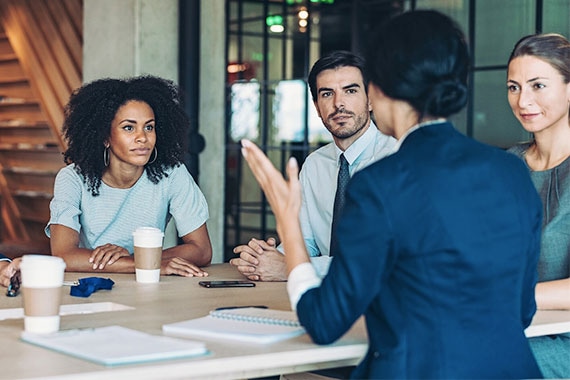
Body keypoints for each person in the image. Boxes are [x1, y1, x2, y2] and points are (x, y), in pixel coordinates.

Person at [240, 10, 543, 379]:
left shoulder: (380, 183)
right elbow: (522, 310)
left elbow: (324, 322)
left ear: (378, 90)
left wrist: (287, 219)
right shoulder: (510, 170)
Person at [230, 51, 396, 281]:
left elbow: (381, 259)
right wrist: (266, 258)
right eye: (327, 94)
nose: (339, 103)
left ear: (370, 100)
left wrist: (291, 267)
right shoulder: (315, 165)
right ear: (317, 107)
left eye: (350, 90)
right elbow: (304, 242)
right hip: (322, 298)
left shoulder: (396, 160)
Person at [45, 75, 212, 277]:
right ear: (105, 136)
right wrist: (145, 264)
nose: (142, 137)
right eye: (129, 127)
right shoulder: (72, 179)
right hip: (92, 288)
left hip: (147, 287)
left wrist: (136, 261)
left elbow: (201, 250)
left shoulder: (172, 175)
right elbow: (63, 256)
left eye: (149, 127)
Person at [506, 33, 570, 378]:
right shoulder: (506, 166)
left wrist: (506, 294)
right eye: (513, 87)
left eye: (538, 85)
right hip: (508, 324)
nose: (522, 100)